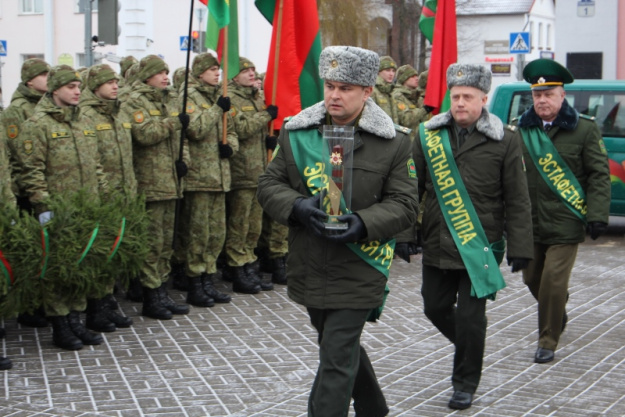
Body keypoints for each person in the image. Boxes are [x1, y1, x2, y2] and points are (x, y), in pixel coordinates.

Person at [257, 45, 419, 417]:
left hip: (361, 265)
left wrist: (363, 222)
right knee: (337, 346)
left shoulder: (393, 142)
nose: (334, 95)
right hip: (310, 262)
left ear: (367, 92)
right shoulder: (297, 133)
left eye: (345, 87)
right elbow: (269, 185)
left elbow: (405, 205)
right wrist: (296, 207)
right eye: (330, 85)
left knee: (335, 355)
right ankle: (374, 407)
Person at [413, 63, 533, 410]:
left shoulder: (505, 140)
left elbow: (518, 198)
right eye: (455, 96)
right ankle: (471, 345)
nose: (460, 103)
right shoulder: (428, 136)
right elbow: (409, 189)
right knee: (434, 307)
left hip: (480, 245)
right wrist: (407, 233)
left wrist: (521, 246)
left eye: (468, 96)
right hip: (437, 240)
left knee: (470, 317)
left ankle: (464, 382)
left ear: (483, 99)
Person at [516, 59, 611, 364]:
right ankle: (557, 310)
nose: (542, 100)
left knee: (553, 282)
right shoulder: (521, 130)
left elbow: (598, 175)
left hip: (566, 221)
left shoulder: (584, 129)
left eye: (549, 94)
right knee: (532, 279)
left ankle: (548, 339)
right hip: (530, 222)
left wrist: (597, 215)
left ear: (562, 96)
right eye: (536, 94)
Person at [18, 65, 108, 350]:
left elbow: (96, 165)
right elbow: (31, 171)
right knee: (58, 268)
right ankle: (60, 325)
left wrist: (104, 196)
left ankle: (76, 320)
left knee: (82, 264)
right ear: (55, 89)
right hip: (58, 209)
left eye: (78, 87)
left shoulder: (82, 122)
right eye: (70, 87)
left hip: (87, 207)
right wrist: (43, 206)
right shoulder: (38, 124)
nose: (77, 91)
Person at [120, 55, 189, 320]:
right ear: (146, 75)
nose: (166, 77)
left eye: (168, 72)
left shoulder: (163, 100)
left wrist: (181, 162)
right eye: (160, 72)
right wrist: (174, 123)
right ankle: (151, 296)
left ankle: (161, 291)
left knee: (165, 244)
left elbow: (175, 137)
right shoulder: (133, 101)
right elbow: (144, 134)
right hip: (149, 183)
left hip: (169, 181)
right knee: (151, 243)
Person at [177, 52, 238, 306]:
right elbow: (194, 128)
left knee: (216, 233)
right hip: (200, 177)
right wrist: (216, 110)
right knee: (198, 234)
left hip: (220, 177)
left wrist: (230, 148)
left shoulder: (220, 97)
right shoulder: (188, 96)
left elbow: (231, 131)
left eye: (218, 69)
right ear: (199, 72)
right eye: (212, 69)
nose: (217, 73)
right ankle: (194, 282)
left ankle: (208, 280)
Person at [79, 64, 136, 332]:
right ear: (95, 86)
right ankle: (95, 309)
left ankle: (108, 301)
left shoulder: (119, 111)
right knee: (99, 253)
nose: (115, 85)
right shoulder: (85, 115)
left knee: (114, 252)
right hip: (101, 196)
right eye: (109, 82)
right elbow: (92, 160)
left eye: (116, 81)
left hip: (123, 193)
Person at [1, 58, 51, 328]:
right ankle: (28, 308)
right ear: (29, 80)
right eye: (43, 75)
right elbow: (18, 154)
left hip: (40, 189)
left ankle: (41, 303)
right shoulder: (17, 110)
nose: (47, 78)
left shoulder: (46, 105)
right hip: (23, 192)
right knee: (28, 253)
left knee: (43, 252)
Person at [223, 57, 278, 293]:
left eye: (253, 70)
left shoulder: (256, 97)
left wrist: (269, 137)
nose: (251, 73)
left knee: (254, 225)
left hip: (259, 171)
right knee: (240, 223)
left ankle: (249, 264)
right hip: (242, 170)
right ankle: (237, 267)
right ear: (234, 76)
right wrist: (266, 116)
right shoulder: (231, 98)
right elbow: (242, 128)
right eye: (246, 70)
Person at [371, 55, 398, 123]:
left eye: (393, 71)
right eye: (387, 70)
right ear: (379, 71)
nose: (391, 74)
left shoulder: (391, 91)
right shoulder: (372, 90)